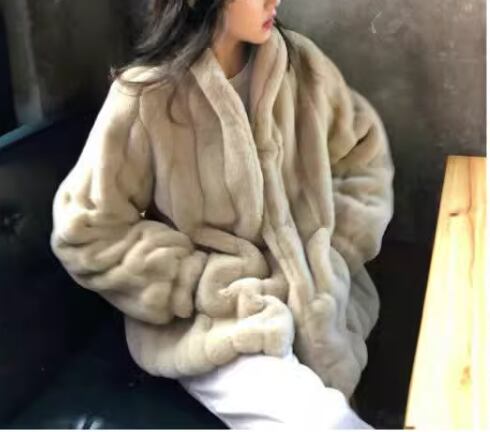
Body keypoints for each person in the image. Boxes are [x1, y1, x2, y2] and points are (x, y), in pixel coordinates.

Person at [50, 0, 395, 428]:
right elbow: (86, 230)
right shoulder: (147, 96)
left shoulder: (301, 65)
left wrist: (331, 253)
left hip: (319, 308)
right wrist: (198, 284)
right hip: (218, 327)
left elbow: (363, 155)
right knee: (326, 423)